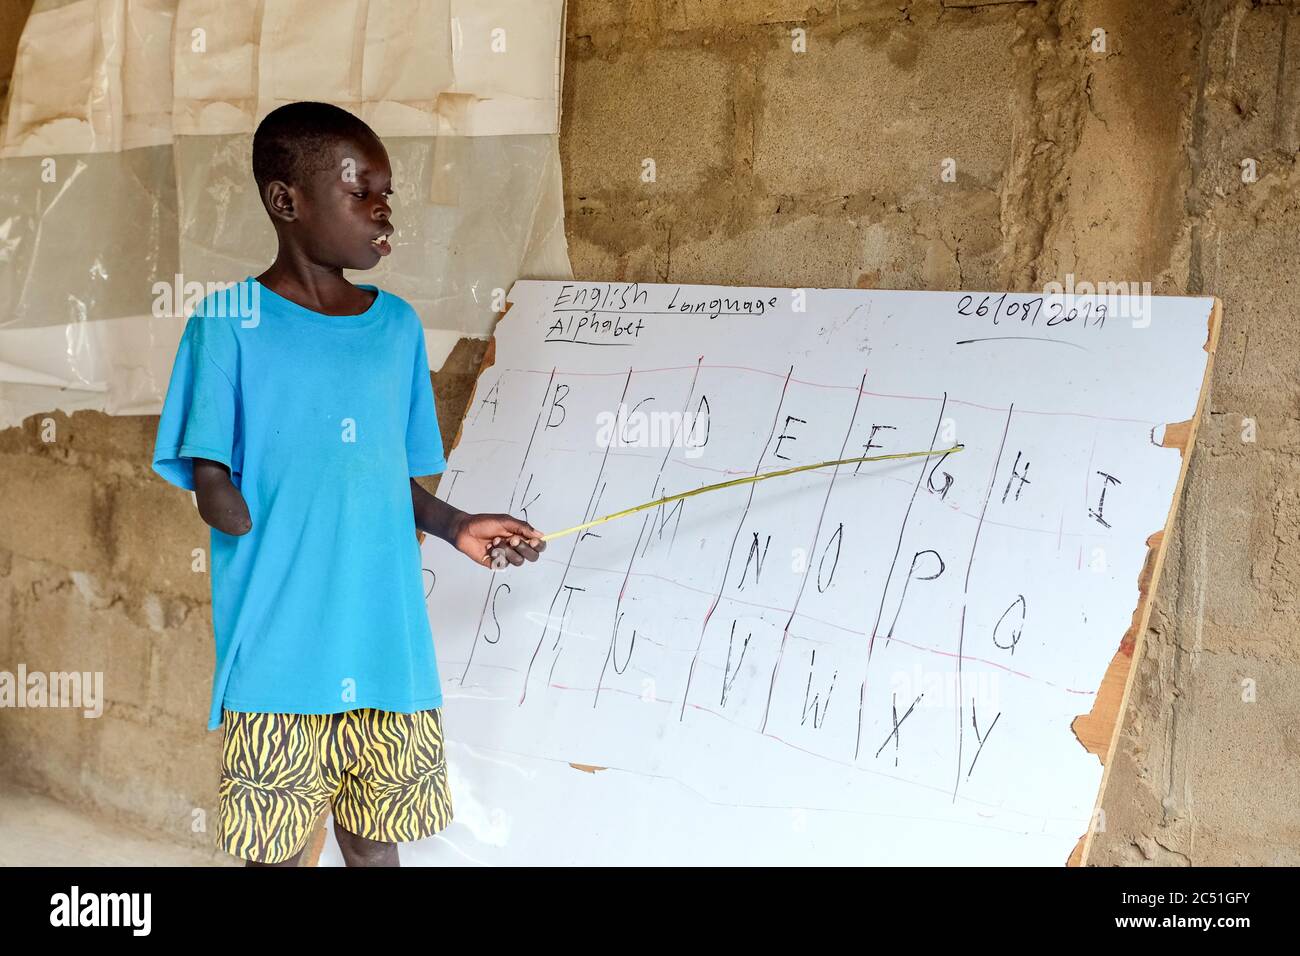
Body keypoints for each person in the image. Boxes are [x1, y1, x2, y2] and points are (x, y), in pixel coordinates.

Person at [151, 101, 545, 866]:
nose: (381, 210)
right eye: (360, 191)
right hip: (280, 652)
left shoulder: (395, 327)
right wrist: (213, 482)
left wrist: (455, 523)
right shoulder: (228, 321)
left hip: (385, 644)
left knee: (373, 849)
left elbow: (381, 479)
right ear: (285, 201)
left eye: (386, 194)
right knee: (278, 853)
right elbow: (209, 462)